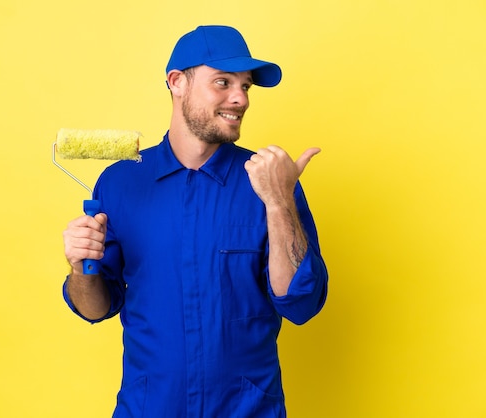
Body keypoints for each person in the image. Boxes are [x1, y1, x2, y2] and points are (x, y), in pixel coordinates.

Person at [62, 25, 328, 418]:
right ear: (177, 83)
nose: (240, 99)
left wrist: (277, 203)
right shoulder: (120, 183)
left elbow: (301, 303)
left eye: (246, 86)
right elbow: (94, 309)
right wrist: (79, 267)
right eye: (223, 82)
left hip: (248, 410)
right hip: (148, 408)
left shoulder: (268, 181)